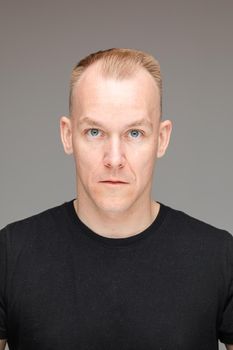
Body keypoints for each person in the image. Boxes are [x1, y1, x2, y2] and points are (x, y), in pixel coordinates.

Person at [0, 48, 232, 350]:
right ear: (68, 135)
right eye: (94, 131)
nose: (114, 159)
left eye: (134, 133)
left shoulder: (220, 257)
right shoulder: (10, 254)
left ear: (161, 139)